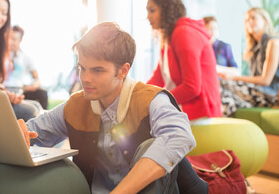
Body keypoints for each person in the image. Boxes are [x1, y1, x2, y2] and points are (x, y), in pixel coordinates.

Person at [21, 22, 207, 193]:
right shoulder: (76, 106)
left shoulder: (150, 99)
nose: (85, 78)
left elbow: (179, 136)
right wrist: (17, 132)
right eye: (82, 68)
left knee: (151, 145)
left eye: (97, 70)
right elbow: (30, 133)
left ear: (123, 71)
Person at [146, 0, 222, 121]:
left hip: (201, 114)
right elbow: (158, 78)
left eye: (152, 10)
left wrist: (157, 101)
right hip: (185, 111)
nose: (148, 16)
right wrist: (136, 95)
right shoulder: (169, 37)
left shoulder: (183, 33)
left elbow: (192, 87)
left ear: (166, 10)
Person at [220, 7, 279, 116]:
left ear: (265, 21)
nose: (249, 22)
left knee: (226, 84)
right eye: (246, 20)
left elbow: (265, 80)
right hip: (258, 92)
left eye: (253, 18)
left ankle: (227, 121)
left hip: (271, 96)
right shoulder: (253, 49)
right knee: (222, 86)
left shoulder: (273, 43)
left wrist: (234, 77)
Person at [4, 25, 48, 109]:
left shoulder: (25, 58)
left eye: (13, 39)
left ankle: (44, 120)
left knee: (42, 93)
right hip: (4, 89)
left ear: (20, 40)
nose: (10, 42)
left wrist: (33, 85)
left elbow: (37, 79)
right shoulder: (1, 56)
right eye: (8, 38)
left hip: (19, 90)